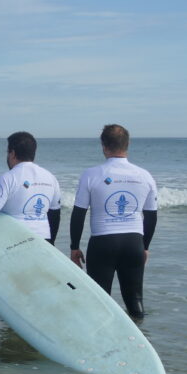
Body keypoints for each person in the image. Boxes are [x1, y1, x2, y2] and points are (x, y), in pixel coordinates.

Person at [69, 124, 158, 319]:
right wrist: (145, 247)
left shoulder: (91, 174)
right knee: (135, 301)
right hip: (134, 242)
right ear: (128, 144)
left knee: (99, 303)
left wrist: (74, 247)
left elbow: (79, 213)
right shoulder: (145, 176)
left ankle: (99, 344)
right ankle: (140, 341)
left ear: (104, 146)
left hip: (102, 243)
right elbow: (151, 216)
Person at [0, 131, 62, 243]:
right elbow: (55, 215)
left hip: (14, 241)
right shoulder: (51, 178)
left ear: (13, 153)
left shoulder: (8, 178)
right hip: (44, 241)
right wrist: (51, 245)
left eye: (7, 152)